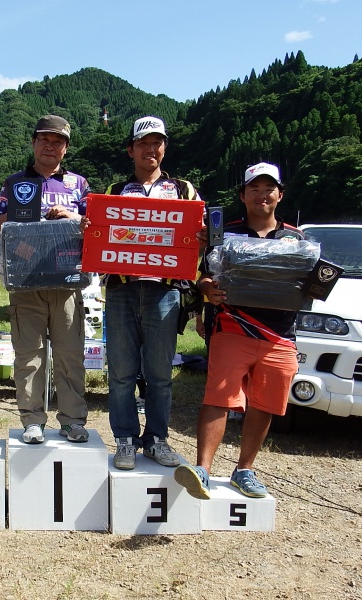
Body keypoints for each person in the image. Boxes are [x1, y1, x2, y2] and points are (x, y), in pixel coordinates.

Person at [174, 162, 302, 499]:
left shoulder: (296, 238)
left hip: (280, 335)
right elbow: (204, 275)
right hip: (232, 326)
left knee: (266, 403)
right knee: (218, 397)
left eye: (268, 188)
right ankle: (202, 469)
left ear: (280, 194)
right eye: (254, 189)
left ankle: (244, 470)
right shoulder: (223, 232)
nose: (262, 195)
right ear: (243, 195)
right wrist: (206, 291)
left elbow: (304, 285)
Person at [103, 116, 202, 470]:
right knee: (121, 373)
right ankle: (125, 440)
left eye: (157, 142)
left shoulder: (184, 189)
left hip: (165, 291)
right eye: (143, 142)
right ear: (131, 149)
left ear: (165, 148)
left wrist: (202, 236)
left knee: (161, 373)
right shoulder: (115, 191)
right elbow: (99, 236)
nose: (151, 148)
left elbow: (199, 236)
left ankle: (158, 439)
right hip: (121, 290)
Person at [0, 115, 90, 444]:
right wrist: (31, 213)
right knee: (29, 355)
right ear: (34, 142)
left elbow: (94, 223)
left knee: (70, 354)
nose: (51, 145)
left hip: (67, 282)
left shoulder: (78, 184)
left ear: (65, 148)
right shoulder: (15, 181)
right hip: (25, 281)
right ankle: (32, 419)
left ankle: (73, 419)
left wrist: (71, 216)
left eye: (58, 141)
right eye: (45, 139)